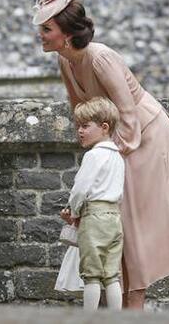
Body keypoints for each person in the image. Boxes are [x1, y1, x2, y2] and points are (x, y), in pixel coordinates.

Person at [34, 0, 169, 309]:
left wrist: (110, 153)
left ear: (66, 34)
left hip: (145, 136)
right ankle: (120, 302)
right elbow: (79, 109)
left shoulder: (100, 57)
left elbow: (127, 112)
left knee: (131, 222)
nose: (41, 36)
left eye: (47, 30)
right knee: (113, 219)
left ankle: (133, 303)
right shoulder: (65, 59)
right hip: (114, 141)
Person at [60, 97, 124, 310]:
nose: (80, 131)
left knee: (92, 275)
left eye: (85, 126)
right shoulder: (118, 157)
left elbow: (80, 189)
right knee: (112, 275)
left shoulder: (94, 155)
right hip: (114, 218)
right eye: (78, 126)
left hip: (94, 218)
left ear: (104, 127)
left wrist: (73, 211)